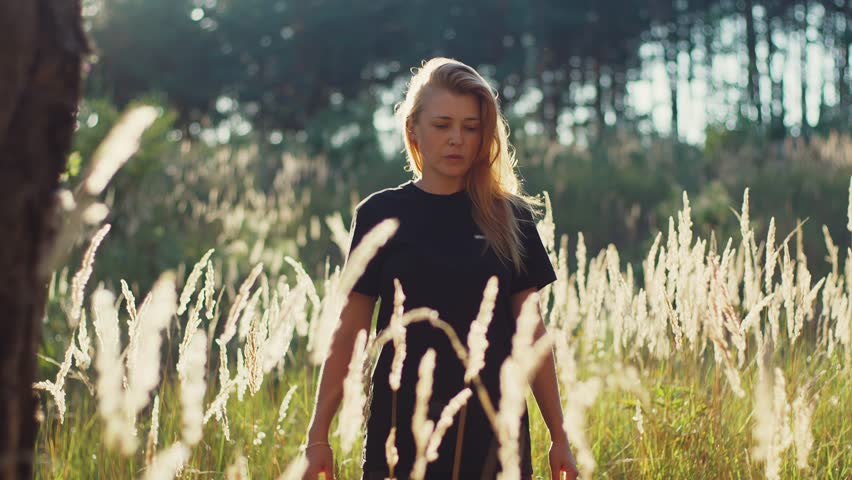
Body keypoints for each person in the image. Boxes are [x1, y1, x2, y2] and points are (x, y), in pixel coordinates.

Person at [302, 57, 579, 480]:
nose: (456, 139)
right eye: (442, 125)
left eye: (471, 127)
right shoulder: (379, 215)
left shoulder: (510, 217)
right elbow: (349, 333)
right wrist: (317, 436)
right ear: (413, 128)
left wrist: (559, 435)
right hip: (399, 440)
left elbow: (533, 334)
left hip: (495, 440)